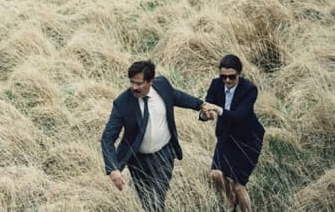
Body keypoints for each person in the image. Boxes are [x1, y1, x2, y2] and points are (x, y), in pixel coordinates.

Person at [101, 60, 206, 212]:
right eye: (132, 82)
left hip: (164, 155)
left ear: (151, 81)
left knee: (157, 200)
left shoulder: (162, 85)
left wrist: (200, 105)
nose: (134, 87)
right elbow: (107, 138)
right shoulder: (122, 103)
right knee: (147, 203)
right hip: (138, 161)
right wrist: (113, 168)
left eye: (139, 83)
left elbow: (177, 96)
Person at [200, 54, 265, 212]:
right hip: (226, 136)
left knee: (238, 186)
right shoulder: (216, 84)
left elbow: (239, 116)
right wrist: (205, 115)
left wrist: (218, 109)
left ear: (239, 74)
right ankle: (230, 199)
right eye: (224, 76)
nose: (227, 81)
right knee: (215, 174)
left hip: (248, 140)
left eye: (231, 77)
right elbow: (207, 106)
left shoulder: (249, 89)